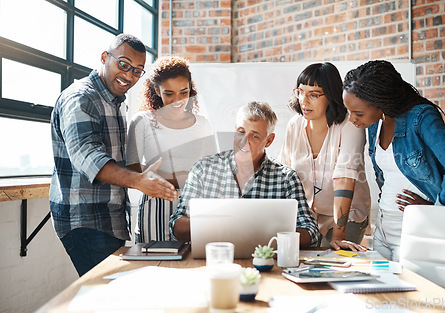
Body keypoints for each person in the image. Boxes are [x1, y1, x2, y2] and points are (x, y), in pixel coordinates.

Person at [50, 34, 177, 276]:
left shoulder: (116, 102)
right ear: (104, 57)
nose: (129, 76)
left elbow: (116, 162)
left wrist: (146, 173)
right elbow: (88, 156)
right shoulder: (81, 98)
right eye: (124, 65)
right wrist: (139, 181)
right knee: (105, 294)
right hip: (85, 219)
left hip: (111, 218)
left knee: (114, 292)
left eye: (137, 71)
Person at [342, 60, 445, 261]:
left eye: (358, 113)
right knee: (379, 289)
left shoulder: (420, 117)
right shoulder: (374, 123)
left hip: (415, 229)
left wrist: (439, 210)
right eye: (349, 111)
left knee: (410, 290)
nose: (352, 119)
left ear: (381, 101)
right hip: (382, 228)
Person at [169, 101, 320, 248]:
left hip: (267, 264)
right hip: (213, 261)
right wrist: (211, 220)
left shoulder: (286, 178)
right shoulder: (203, 169)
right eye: (241, 132)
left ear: (269, 140)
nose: (244, 142)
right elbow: (176, 227)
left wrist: (267, 234)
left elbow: (312, 233)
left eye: (254, 136)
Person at [279, 62, 370, 252]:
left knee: (334, 264)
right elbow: (284, 173)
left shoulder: (349, 125)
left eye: (313, 95)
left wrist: (338, 235)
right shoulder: (294, 125)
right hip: (307, 217)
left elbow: (344, 179)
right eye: (300, 92)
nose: (304, 101)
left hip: (347, 216)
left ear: (330, 95)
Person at [126, 56, 216, 243]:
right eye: (169, 94)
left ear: (191, 88)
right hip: (155, 206)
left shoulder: (202, 124)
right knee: (154, 266)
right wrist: (177, 178)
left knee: (193, 266)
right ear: (156, 90)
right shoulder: (142, 122)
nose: (178, 100)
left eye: (184, 92)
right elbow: (132, 171)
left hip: (194, 207)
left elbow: (213, 170)